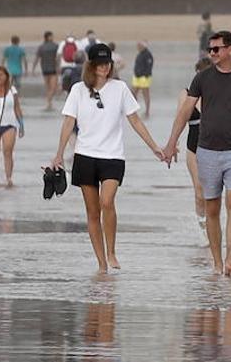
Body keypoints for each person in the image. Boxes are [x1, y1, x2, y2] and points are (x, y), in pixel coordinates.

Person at [162, 30, 231, 277]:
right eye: (210, 49)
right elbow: (184, 113)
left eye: (216, 49)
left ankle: (230, 258)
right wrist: (171, 143)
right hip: (207, 152)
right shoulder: (202, 79)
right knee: (212, 208)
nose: (211, 53)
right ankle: (216, 263)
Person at [50, 43, 165, 273]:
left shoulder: (120, 88)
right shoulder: (78, 90)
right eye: (100, 63)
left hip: (113, 156)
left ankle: (111, 251)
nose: (105, 67)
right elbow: (68, 122)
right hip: (85, 156)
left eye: (107, 63)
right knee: (93, 213)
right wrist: (59, 154)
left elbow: (135, 120)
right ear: (91, 65)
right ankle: (101, 263)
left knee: (107, 202)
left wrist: (154, 147)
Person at [181, 57, 214, 229]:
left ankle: (213, 228)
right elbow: (181, 117)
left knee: (212, 193)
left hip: (214, 148)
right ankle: (203, 231)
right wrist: (173, 143)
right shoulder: (187, 93)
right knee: (199, 192)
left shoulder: (219, 95)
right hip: (193, 148)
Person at [32, 30, 60, 110]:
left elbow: (37, 58)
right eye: (51, 36)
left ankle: (49, 102)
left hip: (48, 68)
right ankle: (49, 102)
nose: (52, 37)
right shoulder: (54, 46)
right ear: (47, 37)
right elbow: (37, 58)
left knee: (51, 87)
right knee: (51, 87)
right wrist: (33, 68)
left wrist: (34, 68)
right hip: (49, 68)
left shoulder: (44, 46)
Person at [132, 41, 154, 117]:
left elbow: (149, 66)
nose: (138, 48)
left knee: (145, 94)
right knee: (133, 93)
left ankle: (147, 112)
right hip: (137, 77)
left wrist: (145, 75)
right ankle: (133, 110)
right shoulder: (139, 54)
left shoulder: (148, 54)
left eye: (139, 46)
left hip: (144, 78)